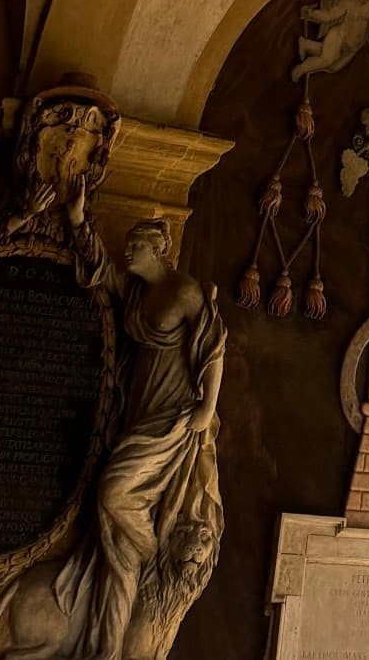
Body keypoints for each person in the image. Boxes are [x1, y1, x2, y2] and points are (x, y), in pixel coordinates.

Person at [60, 220, 224, 659]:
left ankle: (153, 556)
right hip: (140, 409)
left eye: (136, 245)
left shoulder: (184, 291)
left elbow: (213, 347)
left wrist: (206, 408)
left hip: (171, 419)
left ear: (158, 250)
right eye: (128, 243)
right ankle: (116, 617)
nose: (128, 251)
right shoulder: (137, 292)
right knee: (118, 512)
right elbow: (102, 269)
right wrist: (77, 221)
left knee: (114, 492)